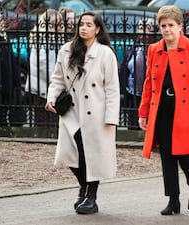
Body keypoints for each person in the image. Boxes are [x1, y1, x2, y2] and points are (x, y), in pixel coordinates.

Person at [138, 5, 189, 215]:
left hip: (187, 110)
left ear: (180, 26)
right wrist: (143, 112)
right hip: (162, 110)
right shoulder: (154, 49)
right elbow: (148, 83)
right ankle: (173, 200)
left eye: (171, 25)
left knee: (184, 153)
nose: (167, 30)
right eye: (163, 26)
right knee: (167, 155)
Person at [45, 11, 120, 214]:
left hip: (96, 113)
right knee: (71, 154)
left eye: (88, 24)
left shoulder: (105, 53)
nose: (83, 28)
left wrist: (112, 117)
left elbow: (113, 88)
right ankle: (84, 186)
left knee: (92, 156)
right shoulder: (66, 50)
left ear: (97, 29)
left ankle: (91, 197)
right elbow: (58, 79)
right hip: (71, 111)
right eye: (81, 24)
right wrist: (51, 98)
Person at [26, 9, 63, 126]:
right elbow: (43, 63)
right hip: (43, 83)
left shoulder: (49, 37)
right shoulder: (44, 38)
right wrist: (55, 81)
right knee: (45, 116)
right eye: (55, 24)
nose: (59, 27)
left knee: (47, 115)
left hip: (45, 82)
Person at [119, 17, 157, 129]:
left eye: (146, 27)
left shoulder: (156, 48)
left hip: (150, 94)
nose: (143, 30)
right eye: (140, 27)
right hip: (133, 94)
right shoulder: (134, 47)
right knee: (133, 124)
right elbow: (125, 68)